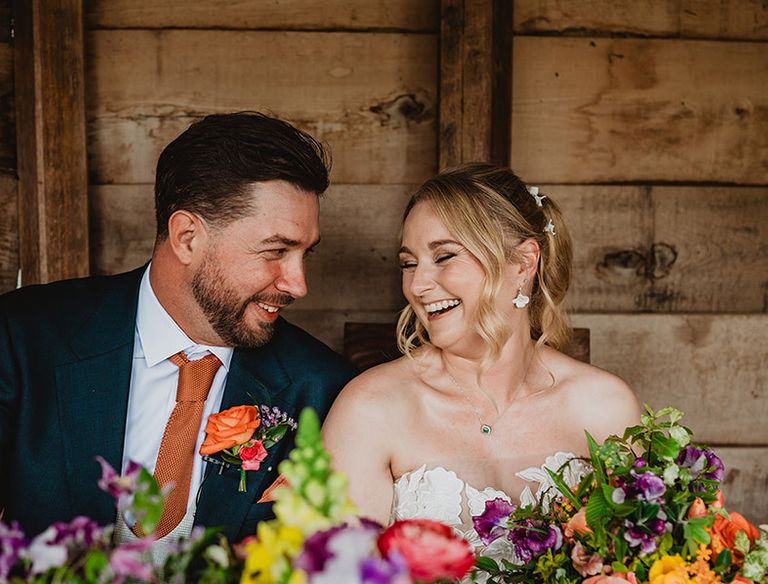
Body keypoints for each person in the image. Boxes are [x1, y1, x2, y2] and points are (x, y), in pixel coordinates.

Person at [0, 112, 355, 544]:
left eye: (305, 253)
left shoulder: (322, 388)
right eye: (276, 250)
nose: (298, 284)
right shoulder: (22, 338)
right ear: (187, 237)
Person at [323, 163, 640, 533]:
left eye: (444, 257)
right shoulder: (370, 409)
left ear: (523, 264)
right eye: (409, 264)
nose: (418, 285)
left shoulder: (604, 407)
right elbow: (342, 581)